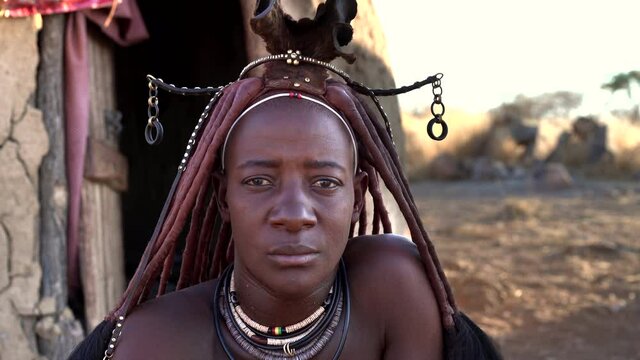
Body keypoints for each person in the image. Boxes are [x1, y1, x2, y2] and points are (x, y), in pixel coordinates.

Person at [69, 0, 502, 359]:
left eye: (325, 183)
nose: (294, 215)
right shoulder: (154, 343)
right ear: (223, 197)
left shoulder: (394, 291)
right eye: (259, 181)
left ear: (356, 196)